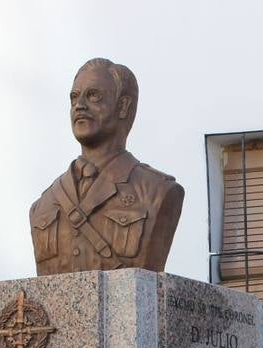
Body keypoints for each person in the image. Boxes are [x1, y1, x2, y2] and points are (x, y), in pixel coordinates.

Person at [29, 58, 184, 276]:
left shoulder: (157, 191)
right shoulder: (43, 205)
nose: (79, 105)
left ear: (123, 106)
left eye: (93, 96)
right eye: (74, 97)